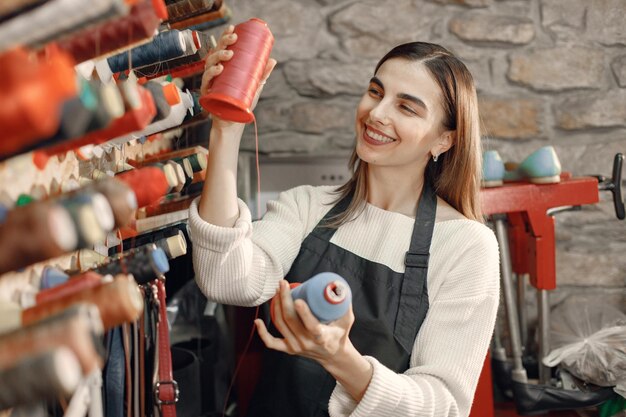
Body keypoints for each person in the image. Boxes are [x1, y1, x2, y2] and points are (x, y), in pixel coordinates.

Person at [190, 23, 500, 417]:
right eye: (376, 91)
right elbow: (226, 280)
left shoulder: (466, 246)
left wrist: (340, 358)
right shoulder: (307, 207)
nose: (377, 113)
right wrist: (225, 127)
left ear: (444, 140)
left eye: (406, 107)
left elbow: (443, 404)